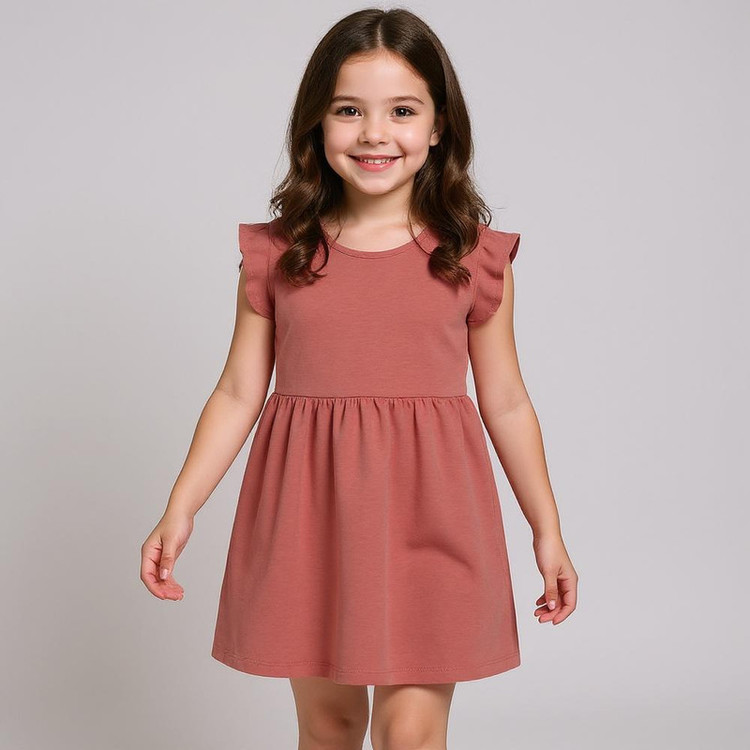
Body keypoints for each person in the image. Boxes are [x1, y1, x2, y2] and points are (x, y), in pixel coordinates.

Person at [140, 7, 577, 749]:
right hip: (310, 520)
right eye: (349, 110)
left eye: (402, 111)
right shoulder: (279, 253)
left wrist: (547, 529)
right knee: (330, 726)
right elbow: (239, 391)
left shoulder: (473, 258)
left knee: (411, 734)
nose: (375, 134)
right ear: (317, 123)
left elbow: (505, 400)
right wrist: (180, 508)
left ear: (439, 126)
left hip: (436, 516)